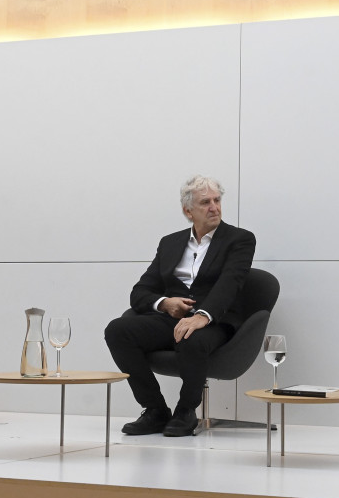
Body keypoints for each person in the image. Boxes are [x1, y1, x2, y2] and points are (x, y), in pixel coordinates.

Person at [105, 175, 256, 437]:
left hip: (215, 321)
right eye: (205, 202)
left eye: (217, 200)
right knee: (118, 330)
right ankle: (155, 410)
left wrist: (203, 316)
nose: (214, 207)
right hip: (173, 319)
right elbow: (140, 292)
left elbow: (230, 284)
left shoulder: (239, 239)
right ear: (188, 211)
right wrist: (165, 303)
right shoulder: (170, 243)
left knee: (191, 337)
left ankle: (186, 411)